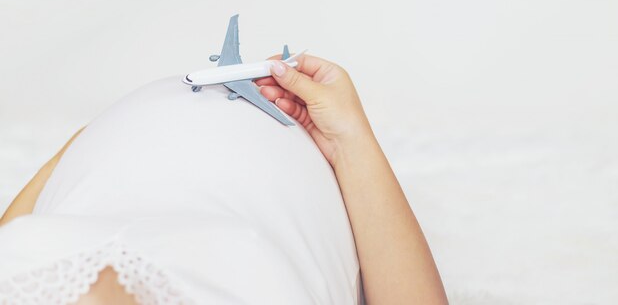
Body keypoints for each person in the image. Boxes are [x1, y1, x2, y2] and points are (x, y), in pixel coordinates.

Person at [0, 54, 447, 305]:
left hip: (100, 161)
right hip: (287, 178)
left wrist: (76, 150)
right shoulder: (249, 273)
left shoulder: (25, 260)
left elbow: (13, 239)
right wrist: (352, 143)